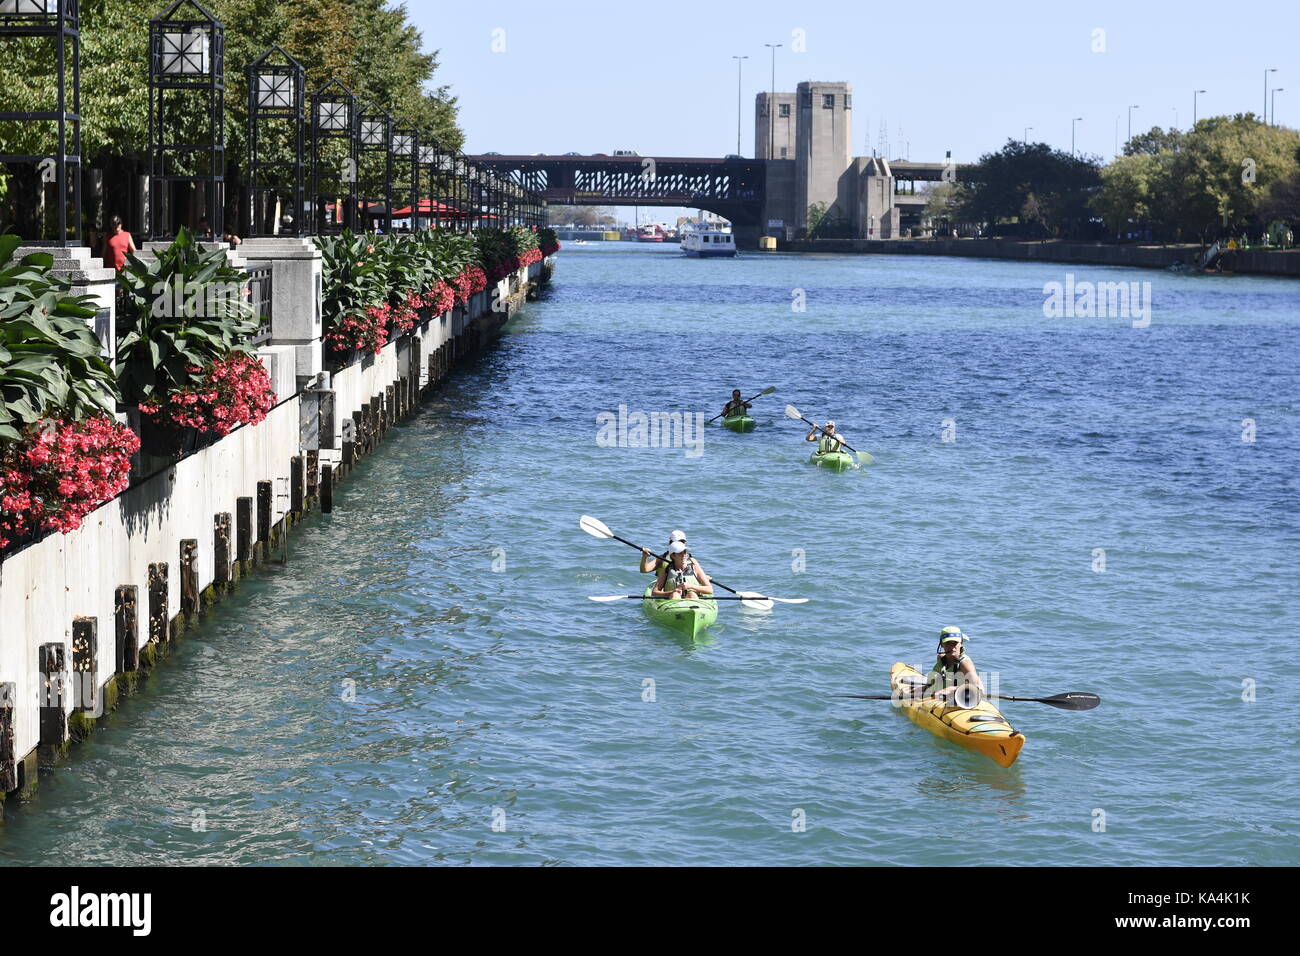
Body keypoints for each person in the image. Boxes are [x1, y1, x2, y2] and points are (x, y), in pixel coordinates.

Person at [923, 626, 985, 700]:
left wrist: (952, 689)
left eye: (955, 643)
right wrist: (924, 688)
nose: (952, 647)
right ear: (942, 644)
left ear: (961, 643)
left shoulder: (965, 664)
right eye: (948, 643)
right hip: (939, 696)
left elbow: (977, 688)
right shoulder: (941, 658)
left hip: (961, 700)